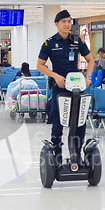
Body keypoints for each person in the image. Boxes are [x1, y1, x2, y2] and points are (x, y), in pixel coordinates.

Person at [37, 9, 94, 165]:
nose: (67, 24)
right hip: (59, 87)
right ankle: (57, 153)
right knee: (57, 120)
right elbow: (40, 65)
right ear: (57, 24)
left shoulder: (77, 41)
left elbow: (91, 60)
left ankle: (77, 154)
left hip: (76, 87)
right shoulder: (49, 43)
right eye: (64, 21)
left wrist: (87, 77)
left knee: (79, 120)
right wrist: (55, 76)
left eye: (69, 21)